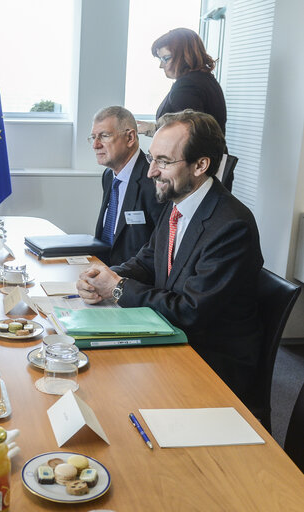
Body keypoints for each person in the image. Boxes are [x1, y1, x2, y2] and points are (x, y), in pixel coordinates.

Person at [77, 110, 263, 410]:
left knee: (107, 395)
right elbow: (148, 260)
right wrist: (103, 275)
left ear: (201, 164)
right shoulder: (178, 203)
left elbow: (190, 312)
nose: (151, 172)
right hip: (172, 340)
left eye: (163, 161)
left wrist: (119, 288)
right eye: (152, 159)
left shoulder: (231, 226)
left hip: (209, 364)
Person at [90, 106, 165, 266]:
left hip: (135, 280)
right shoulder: (108, 176)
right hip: (102, 270)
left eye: (104, 136)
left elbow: (161, 248)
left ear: (130, 137)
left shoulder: (154, 179)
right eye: (93, 137)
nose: (95, 145)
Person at [136, 28, 226, 137]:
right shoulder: (206, 80)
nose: (161, 65)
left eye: (166, 58)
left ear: (184, 56)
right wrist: (153, 128)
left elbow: (190, 136)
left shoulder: (186, 86)